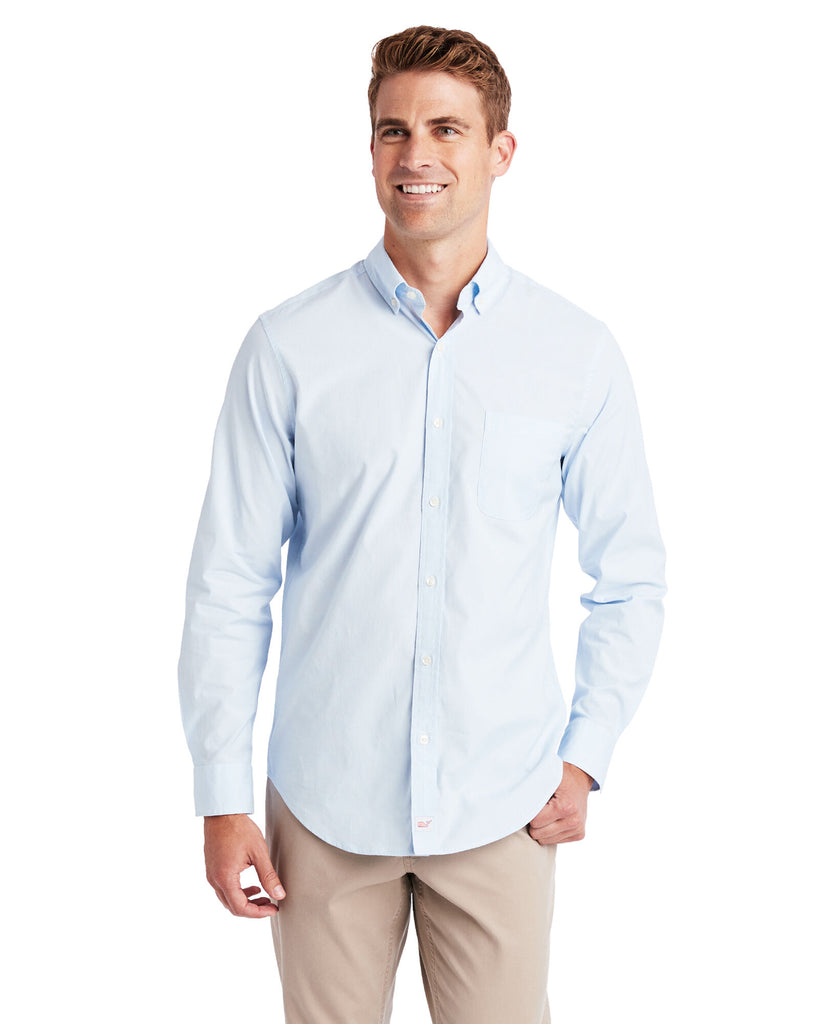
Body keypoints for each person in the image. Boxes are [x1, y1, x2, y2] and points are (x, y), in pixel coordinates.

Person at [178, 24, 666, 1024]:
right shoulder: (288, 347)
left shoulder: (573, 353)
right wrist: (221, 797)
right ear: (369, 151)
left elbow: (629, 577)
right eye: (394, 130)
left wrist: (587, 753)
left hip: (503, 803)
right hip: (324, 804)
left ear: (499, 150)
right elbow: (230, 582)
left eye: (447, 128)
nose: (417, 155)